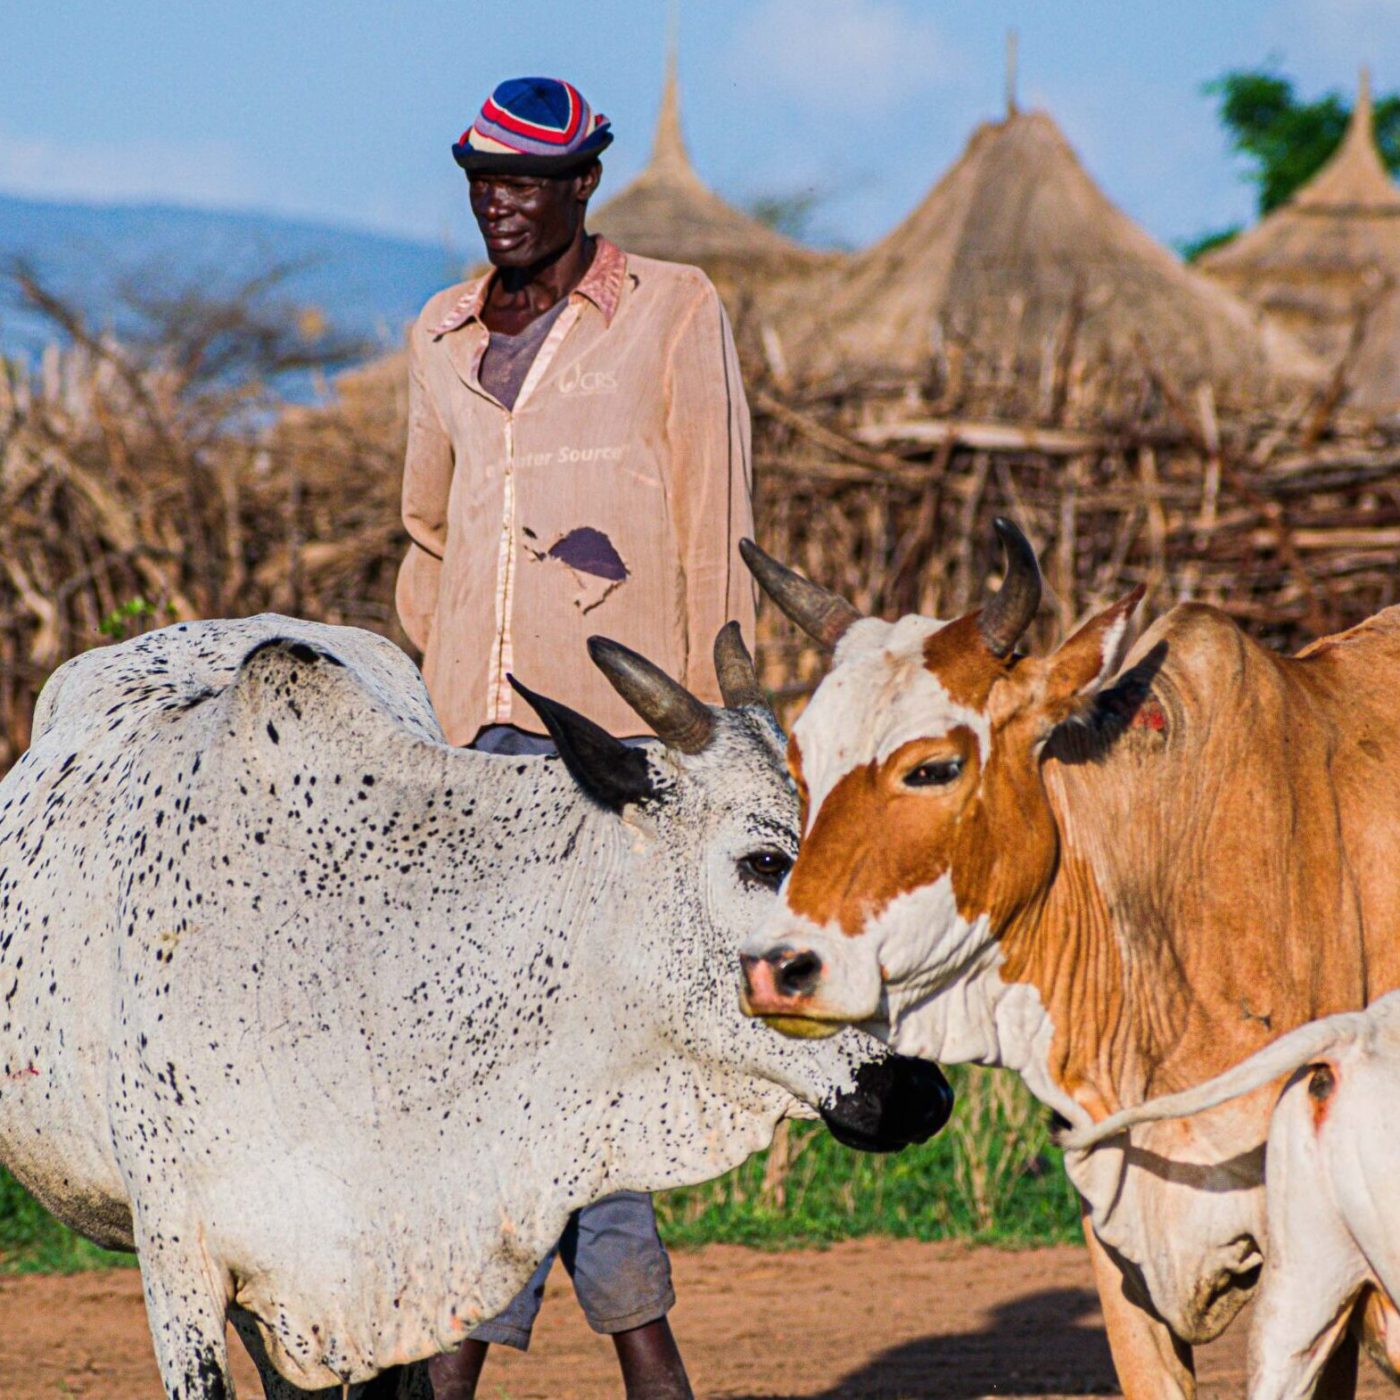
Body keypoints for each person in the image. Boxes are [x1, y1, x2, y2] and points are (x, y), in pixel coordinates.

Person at [395, 77, 755, 1400]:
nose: (499, 198)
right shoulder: (436, 332)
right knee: (518, 1076)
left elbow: (714, 524)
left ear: (583, 184)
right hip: (470, 765)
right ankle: (641, 1360)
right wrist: (446, 703)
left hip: (607, 759)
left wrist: (709, 747)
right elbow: (425, 538)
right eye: (481, 176)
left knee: (541, 1070)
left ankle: (485, 1368)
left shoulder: (670, 311)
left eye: (527, 179)